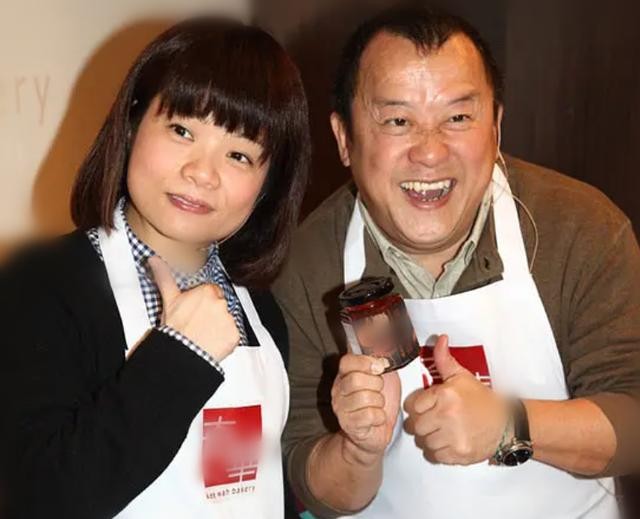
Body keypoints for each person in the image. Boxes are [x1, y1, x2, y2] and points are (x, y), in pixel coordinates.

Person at [273, 6, 640, 518]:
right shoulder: (307, 264)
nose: (430, 153)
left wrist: (510, 425)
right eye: (398, 121)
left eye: (458, 118)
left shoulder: (579, 227)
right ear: (344, 139)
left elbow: (632, 418)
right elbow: (311, 479)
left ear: (496, 126)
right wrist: (357, 450)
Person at [0, 16, 309, 518]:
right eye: (182, 130)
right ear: (131, 124)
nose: (202, 173)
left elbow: (255, 490)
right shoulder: (40, 286)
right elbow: (41, 498)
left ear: (268, 184)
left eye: (239, 155)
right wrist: (181, 355)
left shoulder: (262, 310)